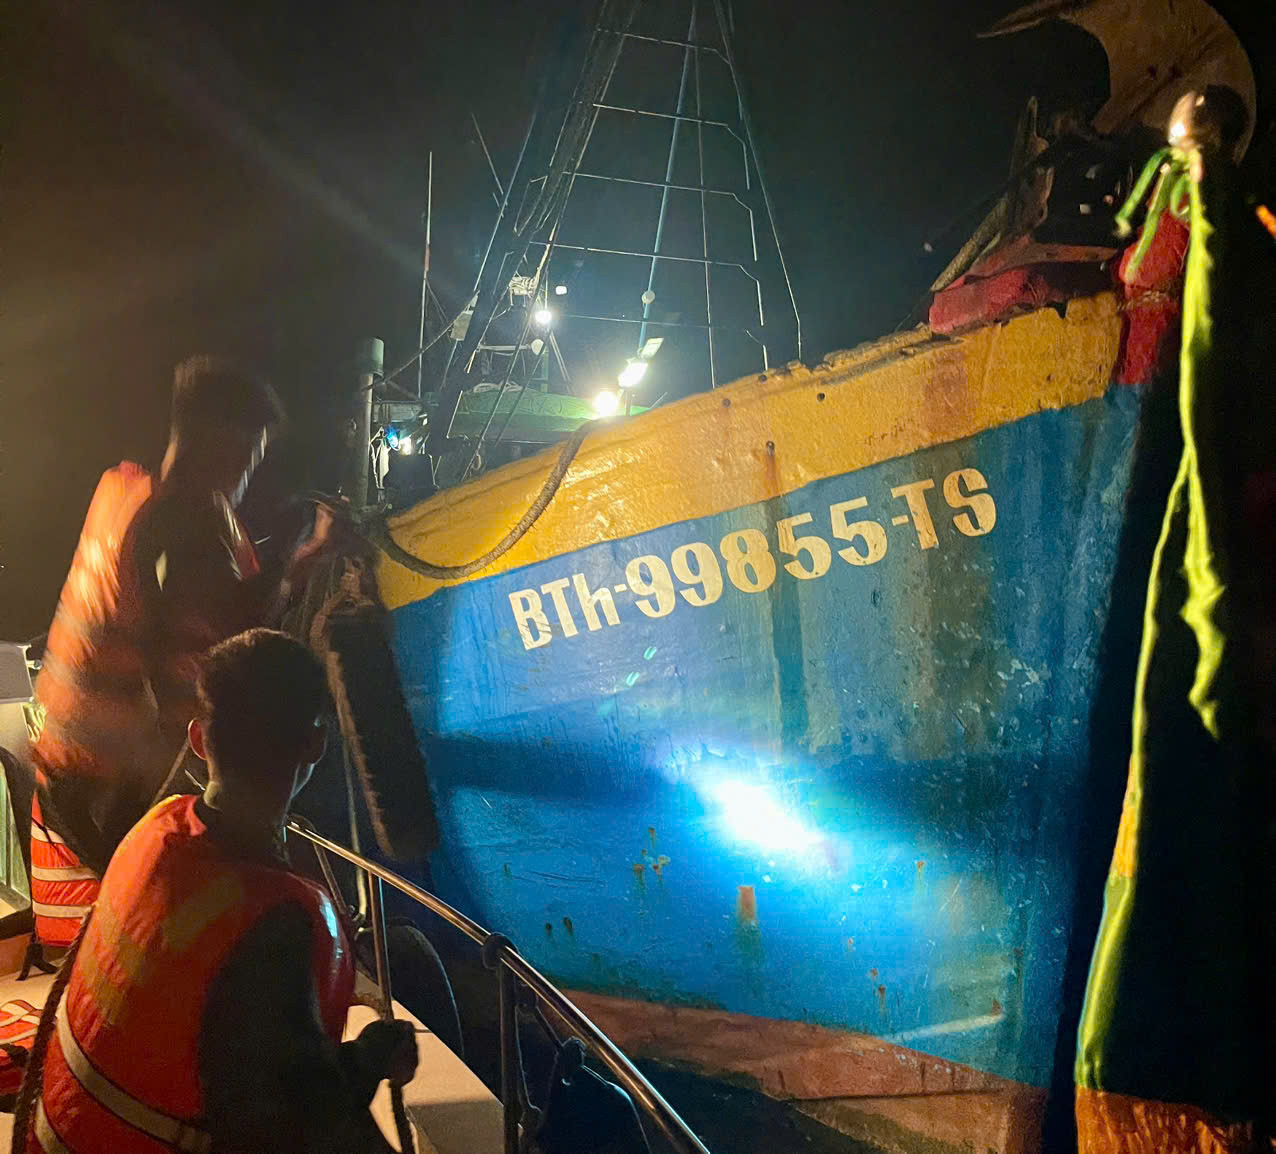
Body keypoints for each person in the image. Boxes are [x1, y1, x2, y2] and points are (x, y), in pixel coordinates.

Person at [25, 629, 417, 1154]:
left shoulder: (154, 834)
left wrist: (365, 1056)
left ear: (198, 738)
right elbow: (304, 1129)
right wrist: (371, 1057)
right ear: (316, 743)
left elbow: (253, 1071)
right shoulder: (272, 924)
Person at [27, 355, 347, 949]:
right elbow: (228, 647)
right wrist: (306, 561)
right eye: (248, 454)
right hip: (112, 788)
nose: (248, 472)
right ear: (217, 442)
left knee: (143, 925)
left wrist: (293, 566)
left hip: (69, 767)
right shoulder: (181, 524)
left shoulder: (131, 494)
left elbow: (208, 607)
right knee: (165, 932)